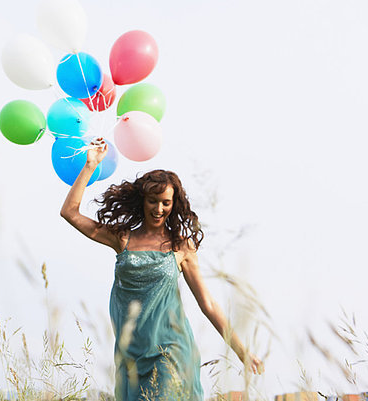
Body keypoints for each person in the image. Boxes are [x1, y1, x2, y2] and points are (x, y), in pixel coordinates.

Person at [60, 138, 264, 401]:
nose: (159, 209)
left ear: (173, 204)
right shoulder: (122, 238)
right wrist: (90, 166)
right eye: (153, 201)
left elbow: (208, 304)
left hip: (172, 349)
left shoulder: (181, 247)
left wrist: (241, 351)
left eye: (165, 203)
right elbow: (70, 213)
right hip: (131, 354)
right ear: (143, 200)